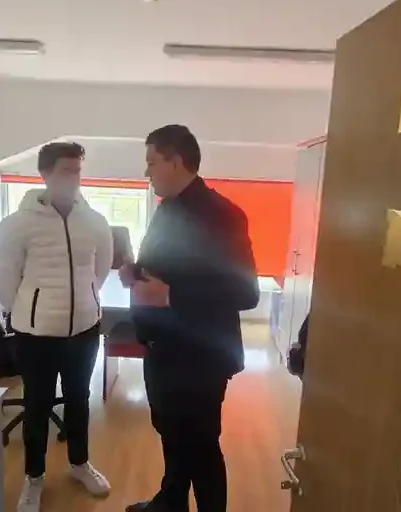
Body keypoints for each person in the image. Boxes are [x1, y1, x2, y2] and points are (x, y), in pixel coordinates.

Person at [123, 124, 260, 512]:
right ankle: (171, 502)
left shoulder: (223, 215)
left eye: (152, 162)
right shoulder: (167, 209)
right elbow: (169, 266)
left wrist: (171, 295)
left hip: (199, 358)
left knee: (200, 448)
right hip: (162, 348)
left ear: (176, 162)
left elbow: (245, 292)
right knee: (171, 435)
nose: (146, 172)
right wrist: (137, 272)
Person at [0, 141, 114, 511]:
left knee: (79, 399)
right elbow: (4, 280)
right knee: (37, 405)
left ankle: (79, 463)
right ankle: (34, 478)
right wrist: (31, 311)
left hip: (85, 330)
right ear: (45, 173)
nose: (72, 177)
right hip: (35, 334)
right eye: (65, 170)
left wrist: (85, 301)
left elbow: (100, 271)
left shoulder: (94, 221)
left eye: (77, 170)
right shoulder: (17, 224)